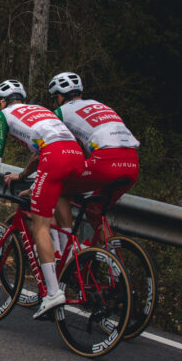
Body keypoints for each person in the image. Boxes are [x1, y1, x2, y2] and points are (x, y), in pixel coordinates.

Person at [0, 79, 89, 319]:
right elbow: (39, 153)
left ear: (2, 102)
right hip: (76, 155)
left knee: (40, 227)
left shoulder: (5, 115)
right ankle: (65, 259)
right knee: (52, 203)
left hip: (54, 157)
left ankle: (53, 293)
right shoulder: (42, 111)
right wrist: (24, 176)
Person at [48, 72, 140, 243]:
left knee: (57, 187)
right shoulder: (100, 105)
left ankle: (69, 244)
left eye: (55, 99)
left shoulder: (60, 112)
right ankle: (113, 261)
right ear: (80, 92)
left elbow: (54, 148)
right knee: (93, 211)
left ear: (59, 97)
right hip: (133, 163)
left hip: (107, 162)